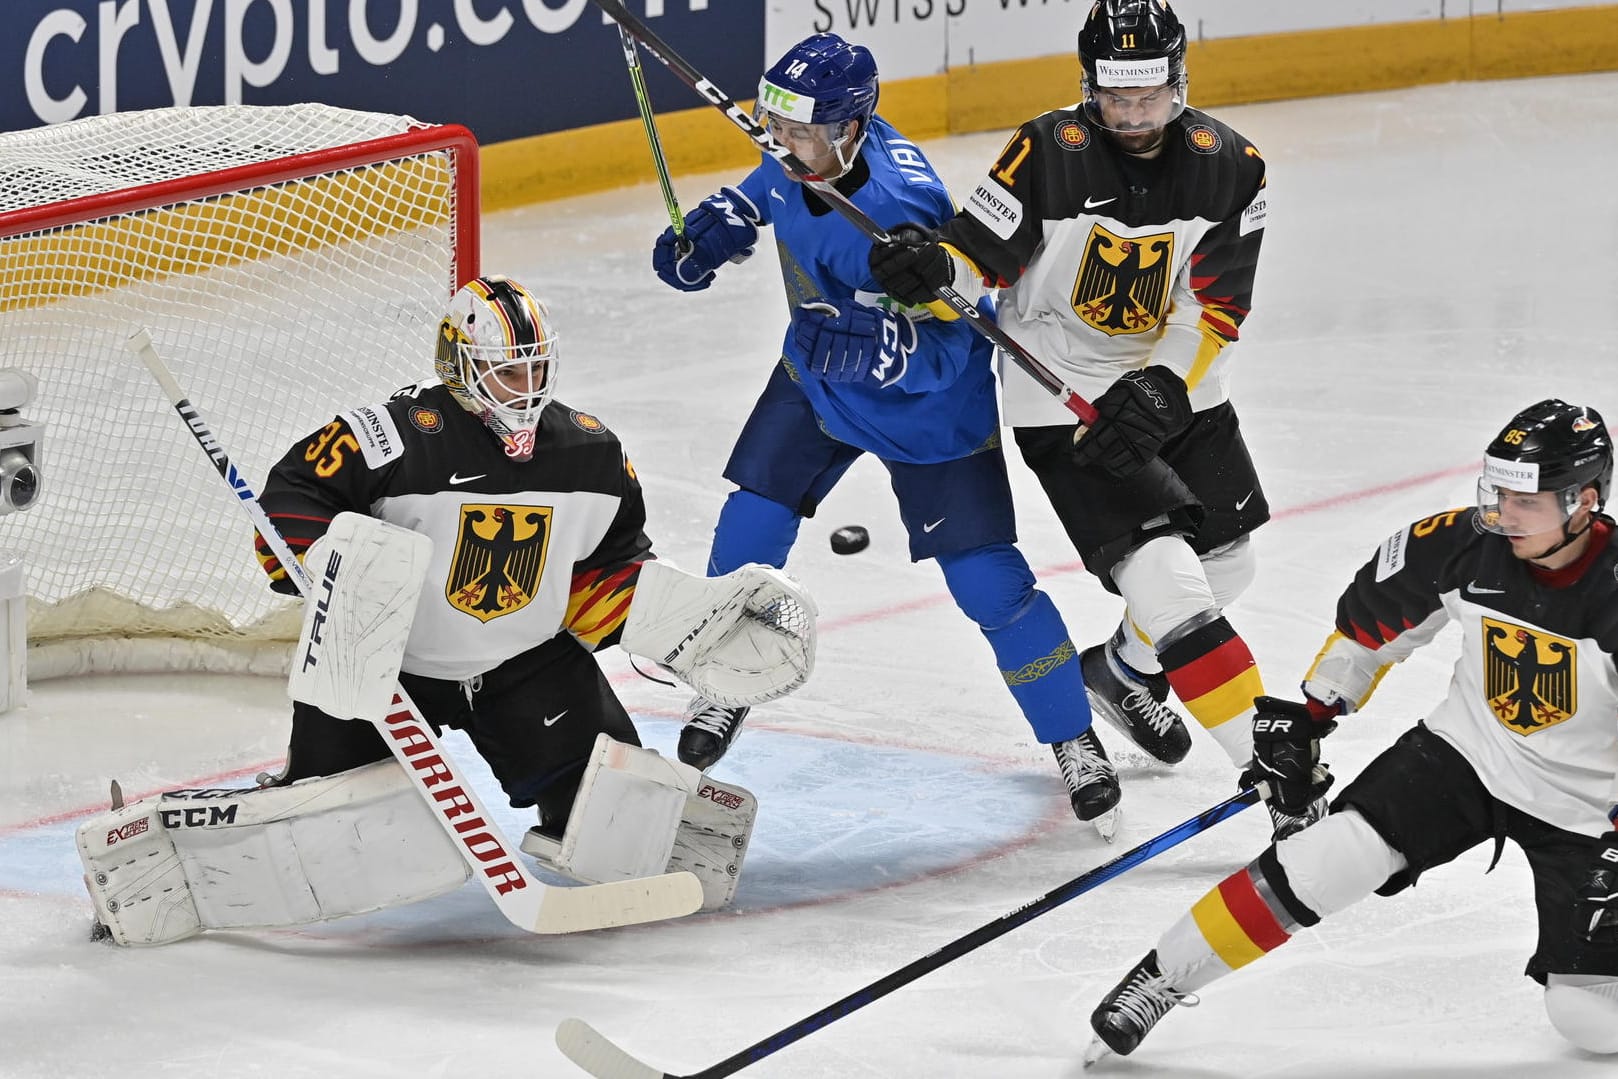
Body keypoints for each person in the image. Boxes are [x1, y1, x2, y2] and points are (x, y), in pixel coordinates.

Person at [650, 32, 1126, 833]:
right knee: (748, 527)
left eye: (803, 133)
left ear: (852, 129)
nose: (784, 143)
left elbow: (953, 340)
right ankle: (725, 683)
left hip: (929, 416)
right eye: (776, 126)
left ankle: (1073, 736)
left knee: (990, 588)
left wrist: (894, 351)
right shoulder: (794, 150)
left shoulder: (900, 208)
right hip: (816, 378)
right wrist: (717, 226)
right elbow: (766, 184)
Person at [867, 0, 1297, 834]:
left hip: (1173, 380)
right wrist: (928, 266)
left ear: (1180, 83)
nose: (1133, 117)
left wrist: (1168, 387)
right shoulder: (1045, 152)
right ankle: (1275, 774)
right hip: (1058, 385)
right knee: (1167, 579)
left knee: (1229, 562)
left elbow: (1217, 308)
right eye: (1114, 98)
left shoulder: (1232, 167)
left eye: (1150, 97)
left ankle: (1126, 674)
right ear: (1087, 86)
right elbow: (978, 254)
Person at [1086, 399, 1618, 1061]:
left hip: (1592, 809)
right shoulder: (1465, 547)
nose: (1503, 514)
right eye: (1499, 492)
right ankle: (1161, 977)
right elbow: (1369, 632)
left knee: (1583, 1015)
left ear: (1584, 502)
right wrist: (1310, 716)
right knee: (1327, 856)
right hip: (1469, 755)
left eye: (1526, 502)